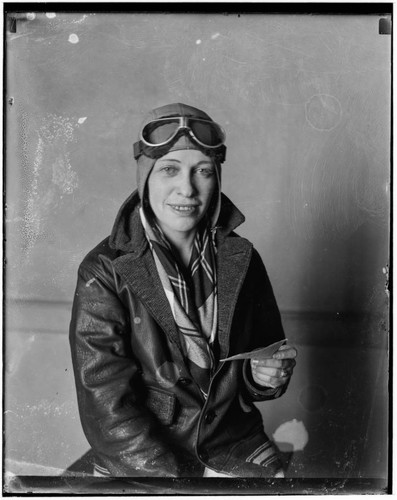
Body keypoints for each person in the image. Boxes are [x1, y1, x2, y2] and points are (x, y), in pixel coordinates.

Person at [69, 102, 297, 478]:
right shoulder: (104, 270)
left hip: (230, 443)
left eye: (202, 171)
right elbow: (105, 400)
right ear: (145, 178)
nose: (187, 188)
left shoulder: (242, 258)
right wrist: (169, 482)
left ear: (217, 180)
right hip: (143, 451)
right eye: (169, 170)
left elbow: (256, 368)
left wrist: (263, 376)